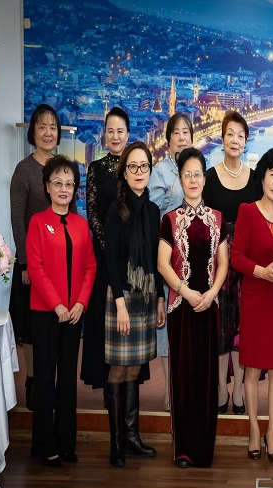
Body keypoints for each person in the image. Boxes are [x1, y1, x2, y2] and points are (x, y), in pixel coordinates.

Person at [157, 147, 229, 468]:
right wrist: (187, 292)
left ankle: (204, 449)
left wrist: (212, 293)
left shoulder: (217, 219)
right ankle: (184, 449)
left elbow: (223, 262)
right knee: (183, 377)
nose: (193, 179)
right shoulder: (170, 220)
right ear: (180, 179)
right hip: (182, 309)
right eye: (187, 174)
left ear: (204, 178)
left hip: (209, 307)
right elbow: (162, 264)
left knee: (207, 378)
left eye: (197, 174)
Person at [231, 147, 273, 463]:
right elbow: (236, 256)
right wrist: (262, 272)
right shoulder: (247, 211)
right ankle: (253, 430)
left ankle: (272, 433)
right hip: (256, 298)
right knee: (252, 368)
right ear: (263, 177)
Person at [26, 155, 96, 467]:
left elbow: (90, 266)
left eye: (69, 184)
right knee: (44, 378)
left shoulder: (80, 224)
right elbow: (36, 268)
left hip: (74, 314)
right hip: (46, 312)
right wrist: (57, 304)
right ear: (47, 187)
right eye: (58, 183)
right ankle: (44, 445)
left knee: (67, 380)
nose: (64, 189)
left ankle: (66, 443)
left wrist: (80, 303)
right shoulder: (38, 222)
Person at [10, 104, 77, 411]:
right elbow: (18, 219)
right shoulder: (24, 170)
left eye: (53, 127)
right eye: (42, 126)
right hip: (32, 263)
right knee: (31, 327)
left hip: (61, 263)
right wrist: (24, 263)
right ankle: (34, 381)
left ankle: (53, 386)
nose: (48, 133)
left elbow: (73, 215)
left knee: (58, 324)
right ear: (33, 132)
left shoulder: (64, 167)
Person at [104, 142, 165, 467]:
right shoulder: (117, 209)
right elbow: (111, 261)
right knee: (118, 367)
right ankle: (116, 442)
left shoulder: (153, 211)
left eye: (144, 166)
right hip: (122, 297)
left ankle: (132, 436)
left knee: (135, 367)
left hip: (145, 297)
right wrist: (120, 304)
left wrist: (159, 298)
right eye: (133, 166)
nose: (139, 172)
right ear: (124, 172)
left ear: (149, 171)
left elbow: (155, 260)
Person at [204, 110, 258, 415]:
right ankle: (220, 389)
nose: (235, 140)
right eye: (230, 135)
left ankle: (238, 389)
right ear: (222, 139)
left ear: (246, 140)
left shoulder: (254, 179)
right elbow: (205, 223)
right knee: (220, 328)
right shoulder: (210, 177)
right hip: (217, 263)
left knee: (242, 328)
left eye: (240, 135)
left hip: (246, 265)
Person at [82, 106, 131, 392]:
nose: (115, 136)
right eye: (110, 131)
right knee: (103, 315)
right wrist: (108, 247)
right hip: (102, 255)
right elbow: (92, 213)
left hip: (129, 257)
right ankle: (105, 384)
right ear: (104, 135)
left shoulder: (134, 167)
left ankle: (126, 381)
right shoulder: (96, 168)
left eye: (120, 131)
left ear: (128, 134)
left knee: (128, 316)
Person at [149, 112, 193, 411]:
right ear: (168, 140)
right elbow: (154, 216)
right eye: (175, 132)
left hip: (196, 258)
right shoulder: (160, 172)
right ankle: (169, 388)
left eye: (185, 132)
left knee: (190, 324)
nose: (181, 137)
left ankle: (187, 384)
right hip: (169, 258)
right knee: (168, 326)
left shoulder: (198, 167)